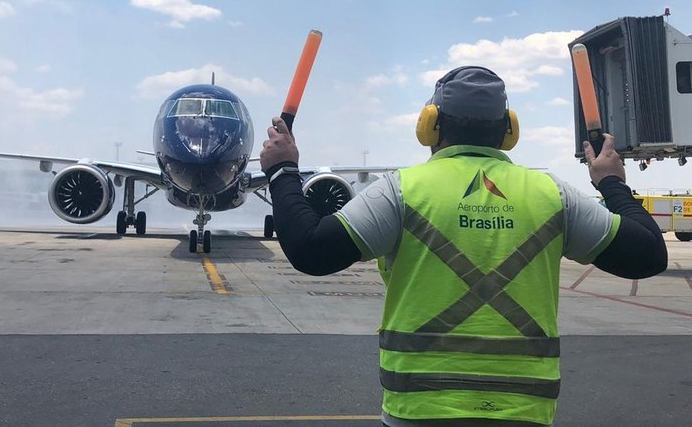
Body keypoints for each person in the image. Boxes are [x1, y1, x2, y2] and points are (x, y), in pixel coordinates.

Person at [259, 66, 667, 427]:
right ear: (510, 130)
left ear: (429, 125)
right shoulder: (552, 195)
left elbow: (311, 251)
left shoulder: (403, 191)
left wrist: (282, 170)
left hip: (419, 406)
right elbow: (648, 255)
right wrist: (611, 183)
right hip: (523, 408)